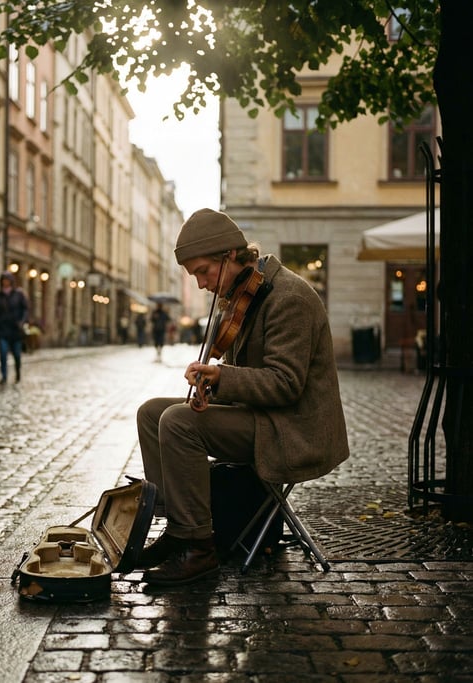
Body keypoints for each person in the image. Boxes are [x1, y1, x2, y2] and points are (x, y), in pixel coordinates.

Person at [135, 208, 350, 586]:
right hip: (259, 415)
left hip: (292, 429)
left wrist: (221, 377)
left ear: (229, 255)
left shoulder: (289, 297)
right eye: (194, 276)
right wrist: (209, 385)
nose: (201, 284)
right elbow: (242, 381)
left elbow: (285, 384)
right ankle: (179, 530)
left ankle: (199, 548)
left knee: (178, 423)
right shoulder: (240, 297)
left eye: (203, 271)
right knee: (151, 413)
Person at [0, 271, 29, 384]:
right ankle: (4, 376)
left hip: (15, 330)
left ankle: (18, 372)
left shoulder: (18, 295)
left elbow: (25, 310)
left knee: (17, 354)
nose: (5, 282)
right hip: (2, 329)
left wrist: (22, 321)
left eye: (7, 280)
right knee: (3, 353)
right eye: (3, 280)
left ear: (11, 282)